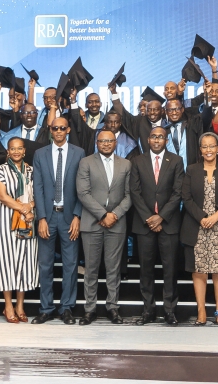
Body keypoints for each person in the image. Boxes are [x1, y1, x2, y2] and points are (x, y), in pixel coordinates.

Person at [76, 129, 132, 325]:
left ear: (115, 143)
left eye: (109, 141)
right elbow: (83, 193)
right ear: (96, 143)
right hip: (92, 223)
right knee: (91, 269)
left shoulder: (126, 164)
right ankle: (89, 309)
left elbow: (129, 195)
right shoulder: (86, 162)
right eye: (102, 141)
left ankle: (112, 307)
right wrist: (102, 215)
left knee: (113, 269)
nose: (106, 144)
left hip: (116, 223)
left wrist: (114, 215)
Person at [181, 132, 218, 325]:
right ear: (200, 150)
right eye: (204, 146)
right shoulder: (192, 170)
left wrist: (216, 215)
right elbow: (186, 197)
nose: (208, 150)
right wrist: (202, 217)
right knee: (199, 270)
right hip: (197, 227)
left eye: (212, 146)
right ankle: (201, 310)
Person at [32, 115, 84, 324]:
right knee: (45, 264)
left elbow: (82, 188)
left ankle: (66, 308)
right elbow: (38, 187)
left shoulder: (79, 153)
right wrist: (42, 218)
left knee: (70, 264)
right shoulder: (40, 154)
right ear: (51, 130)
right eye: (55, 128)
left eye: (63, 128)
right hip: (48, 215)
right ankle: (46, 308)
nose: (59, 131)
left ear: (68, 130)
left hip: (69, 217)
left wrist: (78, 216)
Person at [130, 126, 184, 324]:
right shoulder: (137, 161)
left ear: (166, 140)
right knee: (146, 270)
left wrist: (161, 217)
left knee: (170, 269)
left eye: (161, 137)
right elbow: (134, 192)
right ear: (148, 139)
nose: (156, 140)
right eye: (153, 136)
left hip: (168, 224)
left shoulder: (176, 161)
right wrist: (149, 218)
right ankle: (148, 310)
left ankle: (170, 310)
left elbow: (178, 192)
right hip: (144, 224)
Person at [0, 137, 39, 323]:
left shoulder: (31, 171)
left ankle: (20, 305)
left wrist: (30, 206)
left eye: (19, 148)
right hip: (5, 221)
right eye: (12, 149)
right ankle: (8, 305)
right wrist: (24, 208)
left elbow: (39, 193)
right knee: (7, 262)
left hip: (27, 220)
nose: (16, 152)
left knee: (24, 261)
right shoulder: (0, 171)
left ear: (24, 151)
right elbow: (2, 196)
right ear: (8, 152)